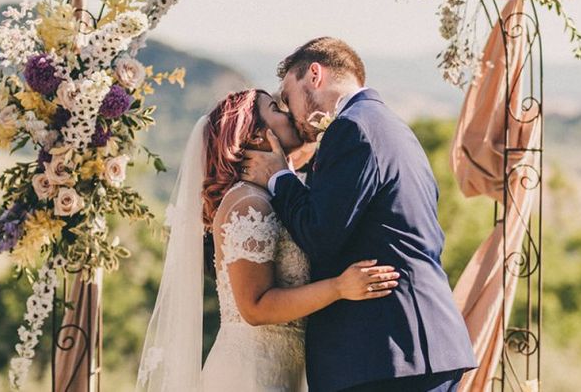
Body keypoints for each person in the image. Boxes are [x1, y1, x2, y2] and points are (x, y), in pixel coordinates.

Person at [242, 37, 477, 392]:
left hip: (385, 353)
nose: (292, 114)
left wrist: (278, 176)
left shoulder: (351, 129)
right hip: (412, 348)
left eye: (288, 98)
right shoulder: (392, 126)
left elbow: (320, 236)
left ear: (315, 75)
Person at [137, 88, 400, 391]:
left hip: (285, 372)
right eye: (276, 108)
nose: (288, 112)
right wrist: (340, 287)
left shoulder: (276, 197)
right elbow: (255, 306)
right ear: (256, 133)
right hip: (250, 375)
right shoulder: (249, 203)